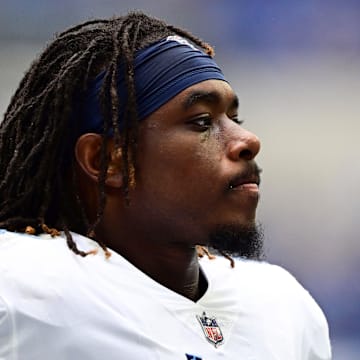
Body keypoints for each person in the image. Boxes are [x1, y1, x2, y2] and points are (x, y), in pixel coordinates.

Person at [0, 11, 331, 360]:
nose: (247, 140)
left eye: (234, 119)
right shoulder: (18, 284)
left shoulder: (282, 305)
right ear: (105, 161)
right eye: (202, 122)